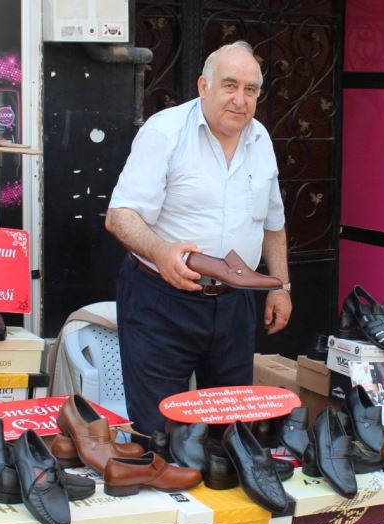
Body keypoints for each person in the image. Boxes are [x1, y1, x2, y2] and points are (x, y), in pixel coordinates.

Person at [105, 40, 291, 437]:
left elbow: (274, 223)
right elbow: (120, 216)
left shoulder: (261, 141)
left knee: (231, 430)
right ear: (203, 85)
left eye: (251, 89)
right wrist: (159, 249)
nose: (240, 99)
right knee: (161, 431)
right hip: (161, 301)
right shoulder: (165, 132)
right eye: (229, 85)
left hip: (233, 303)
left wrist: (282, 286)